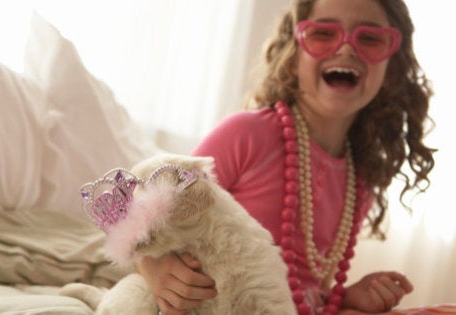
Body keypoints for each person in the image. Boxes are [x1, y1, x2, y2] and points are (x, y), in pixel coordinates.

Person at [135, 0, 435, 314]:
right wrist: (155, 269)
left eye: (370, 39)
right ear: (292, 55)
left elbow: (301, 287)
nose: (347, 49)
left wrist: (345, 298)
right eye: (323, 33)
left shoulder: (361, 181)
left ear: (392, 71)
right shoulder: (246, 135)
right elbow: (144, 227)